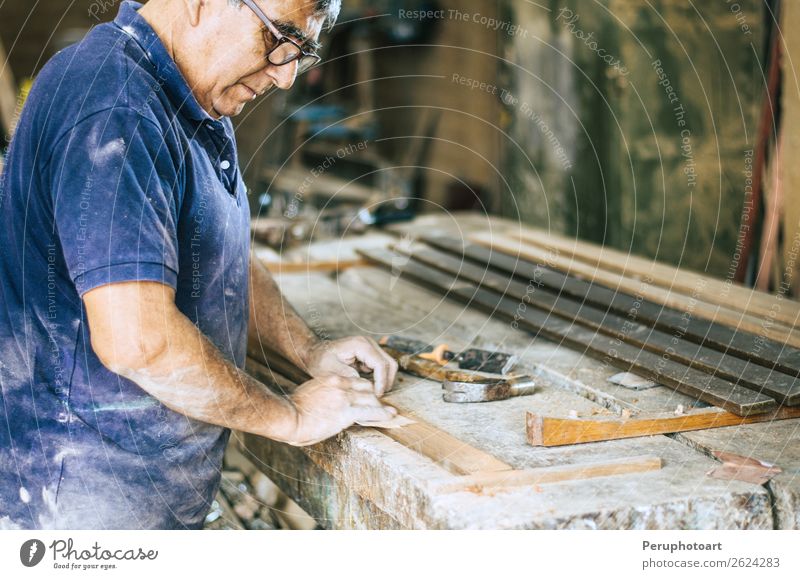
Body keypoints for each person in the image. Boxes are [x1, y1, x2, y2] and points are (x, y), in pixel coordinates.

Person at [0, 0, 398, 530]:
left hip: (142, 498)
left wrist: (309, 351)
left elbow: (213, 253)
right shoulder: (115, 106)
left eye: (300, 52)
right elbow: (138, 341)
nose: (284, 77)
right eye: (278, 38)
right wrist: (292, 417)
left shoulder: (191, 95)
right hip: (79, 515)